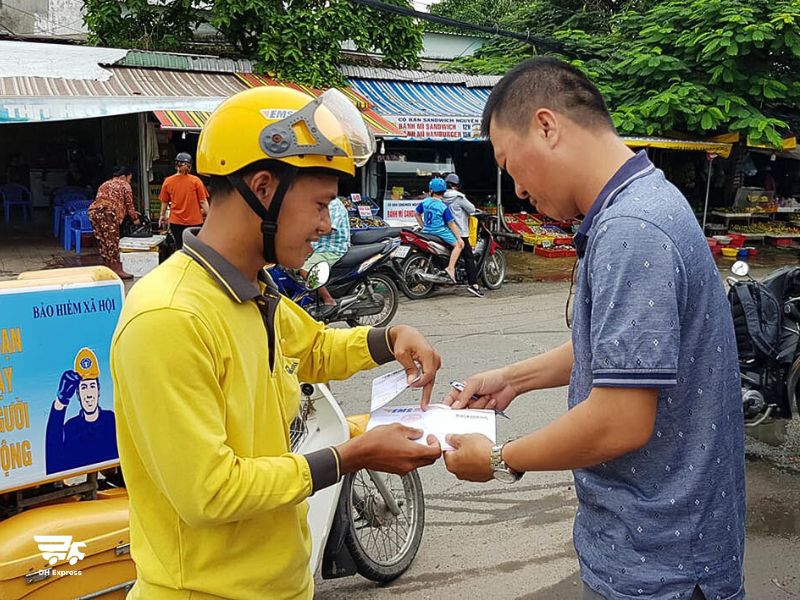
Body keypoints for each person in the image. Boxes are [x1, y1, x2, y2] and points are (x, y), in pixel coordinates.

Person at [111, 86, 443, 600]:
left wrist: (390, 337)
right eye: (320, 204)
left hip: (280, 584)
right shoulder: (170, 317)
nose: (326, 225)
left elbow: (311, 350)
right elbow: (211, 492)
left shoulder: (250, 289)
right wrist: (349, 455)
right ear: (263, 187)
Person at [441, 57, 744, 600]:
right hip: (667, 551)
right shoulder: (642, 202)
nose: (518, 189)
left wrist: (496, 458)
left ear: (547, 126)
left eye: (511, 166)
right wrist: (513, 379)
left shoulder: (632, 228)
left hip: (661, 567)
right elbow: (625, 354)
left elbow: (618, 422)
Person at [45, 348, 118, 474]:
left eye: (92, 386)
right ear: (78, 394)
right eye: (84, 388)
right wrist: (60, 403)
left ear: (98, 390)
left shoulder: (111, 421)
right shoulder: (71, 429)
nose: (89, 394)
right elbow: (53, 464)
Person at [88, 166, 140, 280]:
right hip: (108, 213)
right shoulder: (124, 184)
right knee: (113, 241)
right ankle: (117, 269)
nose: (129, 181)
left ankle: (108, 266)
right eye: (129, 179)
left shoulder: (105, 184)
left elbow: (104, 199)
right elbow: (129, 204)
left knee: (103, 241)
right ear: (124, 177)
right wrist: (135, 219)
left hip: (93, 212)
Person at [299, 195, 350, 307]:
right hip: (317, 246)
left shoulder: (333, 205)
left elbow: (327, 229)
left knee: (305, 269)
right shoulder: (316, 204)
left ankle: (328, 299)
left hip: (331, 248)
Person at [414, 177, 464, 283]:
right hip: (440, 232)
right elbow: (451, 224)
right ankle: (450, 268)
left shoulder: (425, 202)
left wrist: (423, 226)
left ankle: (423, 266)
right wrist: (459, 238)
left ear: (431, 190)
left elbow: (417, 214)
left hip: (426, 232)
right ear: (444, 191)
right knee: (458, 246)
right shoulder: (443, 206)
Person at [158, 152, 210, 249]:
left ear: (176, 165)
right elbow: (203, 202)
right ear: (190, 166)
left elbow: (164, 201)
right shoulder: (196, 181)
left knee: (180, 247)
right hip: (195, 222)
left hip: (176, 222)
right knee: (194, 248)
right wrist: (210, 217)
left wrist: (162, 215)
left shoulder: (168, 181)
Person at [444, 173, 483, 297]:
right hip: (460, 232)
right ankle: (473, 285)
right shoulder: (459, 197)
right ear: (457, 185)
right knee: (469, 257)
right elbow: (471, 209)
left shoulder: (441, 196)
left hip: (445, 232)